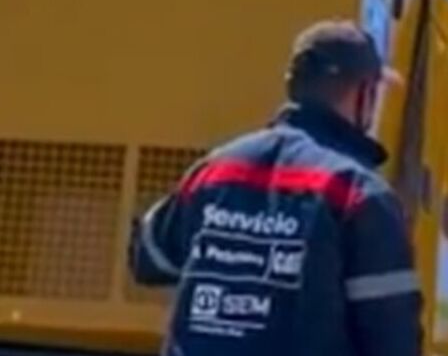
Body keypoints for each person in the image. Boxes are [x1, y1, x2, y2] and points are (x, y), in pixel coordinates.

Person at [128, 19, 423, 356]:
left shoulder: (215, 171)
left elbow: (146, 258)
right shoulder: (359, 194)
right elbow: (393, 338)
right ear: (364, 94)